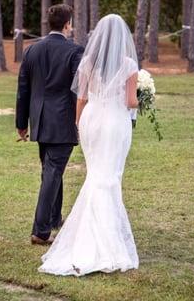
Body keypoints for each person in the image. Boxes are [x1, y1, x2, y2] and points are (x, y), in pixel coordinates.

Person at [38, 14, 139, 276]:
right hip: (115, 122)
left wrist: (79, 124)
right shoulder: (128, 64)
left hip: (91, 120)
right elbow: (130, 102)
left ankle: (90, 235)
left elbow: (80, 99)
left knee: (95, 175)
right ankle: (107, 241)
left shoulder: (88, 63)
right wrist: (146, 96)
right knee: (110, 177)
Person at [16, 4, 84, 245]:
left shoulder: (31, 50)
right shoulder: (75, 51)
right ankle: (41, 231)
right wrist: (82, 119)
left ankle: (55, 219)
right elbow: (80, 89)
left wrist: (21, 123)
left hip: (40, 122)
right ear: (67, 25)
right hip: (62, 121)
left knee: (51, 171)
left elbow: (22, 89)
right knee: (52, 173)